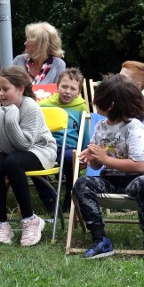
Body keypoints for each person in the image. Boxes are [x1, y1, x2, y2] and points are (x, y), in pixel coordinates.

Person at [73, 75, 144, 262]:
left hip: (137, 179)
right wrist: (93, 158)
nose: (95, 103)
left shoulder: (134, 128)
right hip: (111, 179)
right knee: (82, 184)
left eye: (99, 101)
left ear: (111, 104)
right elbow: (98, 164)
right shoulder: (100, 127)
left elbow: (139, 166)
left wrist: (105, 158)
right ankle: (100, 240)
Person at [0, 67, 58, 246]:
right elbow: (0, 145)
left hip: (40, 150)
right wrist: (2, 118)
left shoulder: (30, 107)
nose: (1, 94)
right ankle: (2, 224)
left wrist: (10, 119)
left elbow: (25, 144)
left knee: (13, 162)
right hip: (14, 152)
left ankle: (30, 219)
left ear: (20, 89)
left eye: (5, 89)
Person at [34, 68, 90, 213]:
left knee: (69, 157)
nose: (67, 91)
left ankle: (70, 195)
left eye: (73, 88)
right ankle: (49, 199)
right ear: (57, 86)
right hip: (46, 146)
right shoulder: (44, 105)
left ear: (78, 92)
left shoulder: (80, 107)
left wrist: (86, 151)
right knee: (31, 160)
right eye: (64, 87)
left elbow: (85, 131)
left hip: (69, 147)